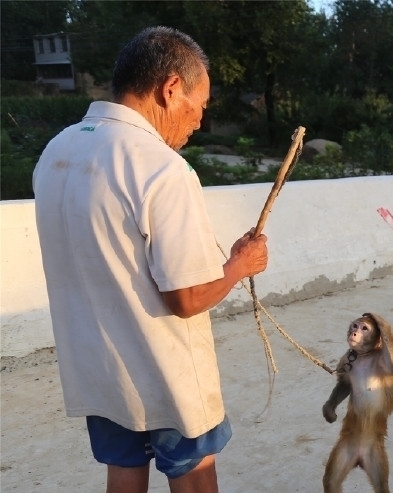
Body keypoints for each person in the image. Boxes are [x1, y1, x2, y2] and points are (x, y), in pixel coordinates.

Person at [32, 26, 268, 493]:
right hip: (165, 376)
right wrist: (239, 265)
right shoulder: (162, 167)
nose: (198, 119)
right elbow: (187, 296)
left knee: (122, 471)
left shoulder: (57, 150)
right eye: (199, 105)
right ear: (171, 89)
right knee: (195, 474)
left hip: (98, 370)